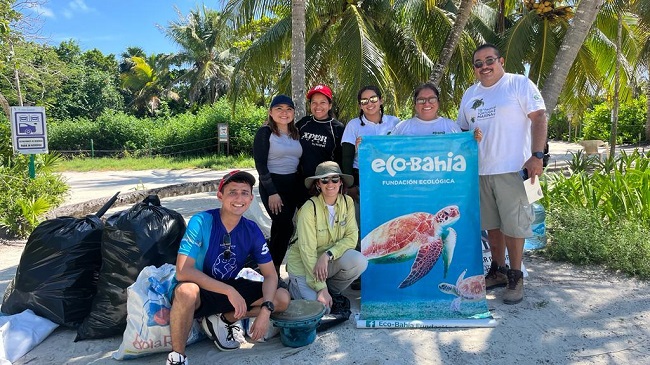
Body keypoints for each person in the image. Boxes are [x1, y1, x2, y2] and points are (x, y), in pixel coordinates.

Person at [166, 171, 291, 365]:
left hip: (228, 288)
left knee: (281, 298)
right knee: (186, 291)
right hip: (201, 291)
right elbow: (183, 271)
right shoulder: (202, 221)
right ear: (220, 195)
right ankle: (177, 357)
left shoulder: (251, 229)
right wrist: (229, 290)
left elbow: (270, 276)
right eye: (232, 192)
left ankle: (223, 319)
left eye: (244, 192)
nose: (239, 198)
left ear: (251, 198)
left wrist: (266, 311)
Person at [457, 43, 547, 305]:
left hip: (513, 169)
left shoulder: (518, 84)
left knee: (514, 226)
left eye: (489, 60)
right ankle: (496, 270)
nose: (484, 66)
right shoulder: (469, 95)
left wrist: (537, 155)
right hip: (481, 172)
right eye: (478, 63)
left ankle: (516, 276)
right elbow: (464, 132)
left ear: (501, 60)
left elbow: (539, 117)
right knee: (492, 226)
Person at [285, 161, 368, 313]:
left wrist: (328, 254)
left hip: (326, 262)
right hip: (304, 266)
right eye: (324, 180)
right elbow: (307, 250)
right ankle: (295, 287)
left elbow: (351, 237)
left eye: (334, 179)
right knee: (321, 310)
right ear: (318, 184)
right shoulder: (308, 209)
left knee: (359, 261)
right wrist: (320, 287)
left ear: (341, 182)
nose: (330, 184)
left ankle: (331, 292)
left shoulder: (347, 202)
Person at [253, 95, 302, 274]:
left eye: (289, 109)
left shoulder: (297, 133)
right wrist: (272, 192)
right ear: (271, 112)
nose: (284, 113)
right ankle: (272, 270)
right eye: (279, 108)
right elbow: (260, 164)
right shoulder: (265, 133)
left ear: (293, 113)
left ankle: (267, 269)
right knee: (286, 226)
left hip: (292, 186)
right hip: (272, 185)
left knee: (279, 229)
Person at [341, 85, 400, 201]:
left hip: (390, 178)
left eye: (373, 99)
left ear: (381, 100)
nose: (369, 104)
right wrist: (351, 186)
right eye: (364, 101)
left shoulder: (395, 123)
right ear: (360, 105)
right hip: (361, 180)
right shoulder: (353, 125)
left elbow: (404, 150)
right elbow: (346, 158)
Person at [296, 84, 345, 206]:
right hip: (302, 184)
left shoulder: (337, 128)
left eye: (322, 102)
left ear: (330, 105)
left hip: (327, 185)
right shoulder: (303, 124)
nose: (318, 106)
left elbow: (343, 158)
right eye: (314, 102)